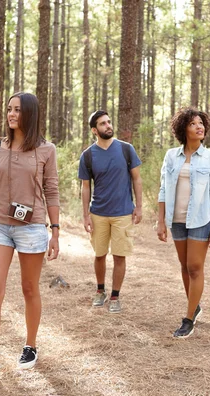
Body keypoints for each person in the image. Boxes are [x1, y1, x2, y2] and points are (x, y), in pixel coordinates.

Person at [0, 92, 61, 390]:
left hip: (32, 227)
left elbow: (52, 190)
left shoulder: (46, 150)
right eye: (9, 109)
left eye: (17, 110)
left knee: (28, 288)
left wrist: (56, 229)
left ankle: (31, 344)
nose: (11, 114)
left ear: (30, 114)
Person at [156, 107, 210, 339]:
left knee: (195, 267)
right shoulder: (171, 156)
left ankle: (188, 318)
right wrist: (161, 221)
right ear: (183, 128)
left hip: (201, 220)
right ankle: (194, 307)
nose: (199, 126)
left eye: (201, 123)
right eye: (193, 123)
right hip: (177, 219)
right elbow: (164, 189)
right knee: (184, 267)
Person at [78, 110, 142, 314]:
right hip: (98, 213)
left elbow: (137, 179)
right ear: (94, 130)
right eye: (103, 124)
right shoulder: (88, 155)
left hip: (123, 212)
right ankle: (100, 291)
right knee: (99, 254)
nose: (108, 125)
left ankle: (115, 295)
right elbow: (85, 187)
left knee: (120, 256)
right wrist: (86, 214)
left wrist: (139, 206)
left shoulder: (126, 149)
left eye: (108, 122)